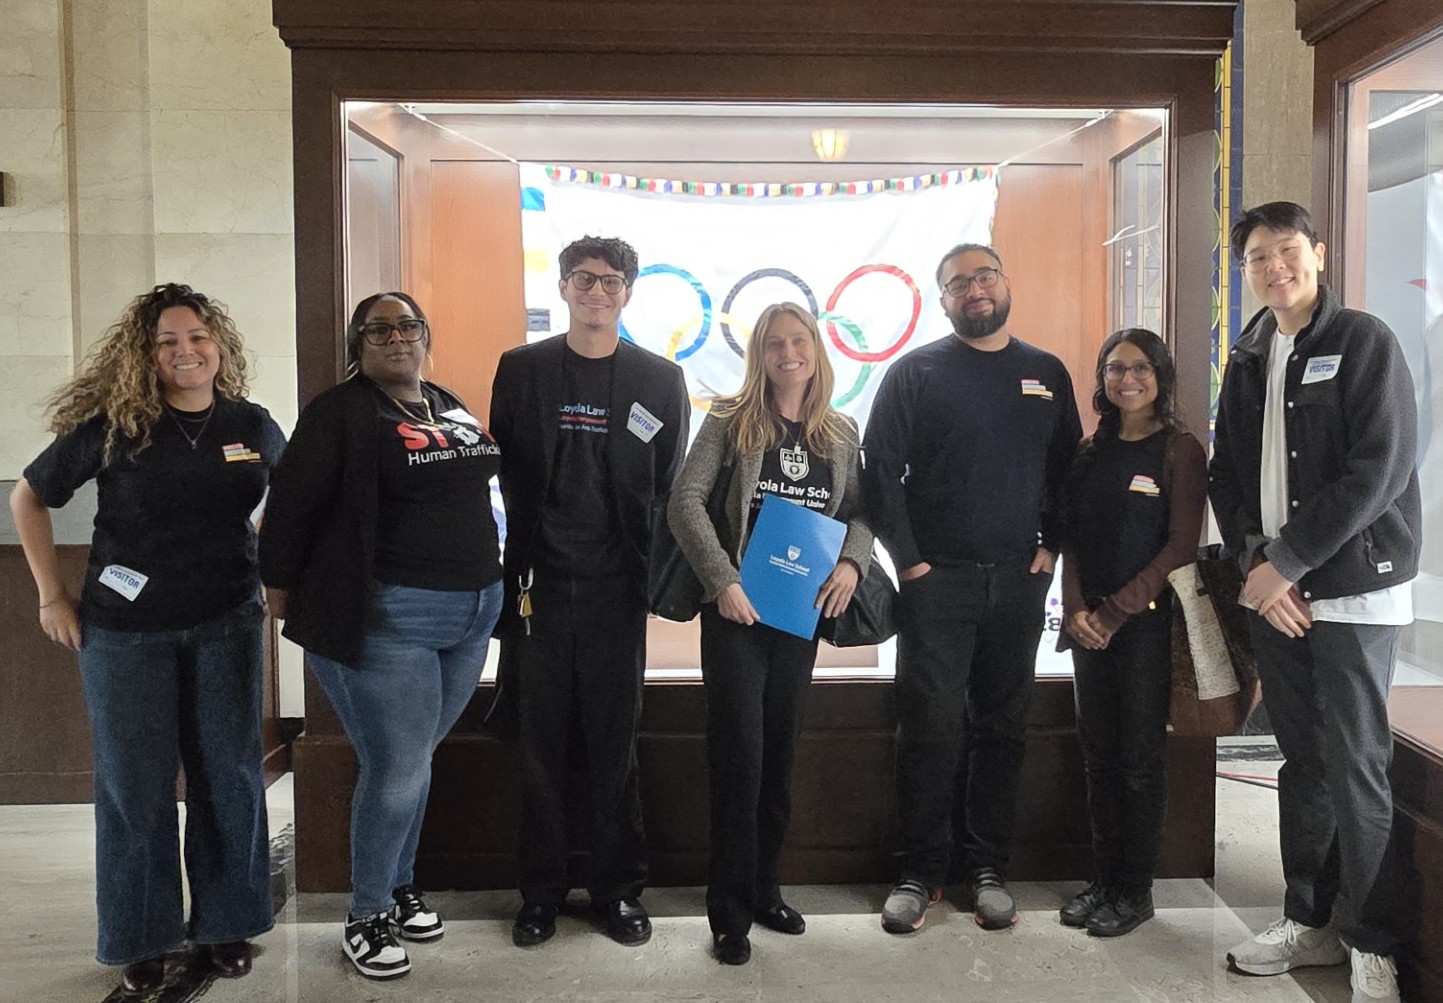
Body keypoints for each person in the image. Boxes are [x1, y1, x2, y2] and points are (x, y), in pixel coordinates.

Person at [8, 284, 284, 993]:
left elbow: (290, 494)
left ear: (218, 343)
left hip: (226, 624)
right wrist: (50, 595)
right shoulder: (116, 425)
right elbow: (29, 496)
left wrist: (257, 561)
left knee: (229, 778)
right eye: (167, 341)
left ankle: (226, 925)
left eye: (196, 337)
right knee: (136, 788)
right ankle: (142, 935)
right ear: (146, 353)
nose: (185, 352)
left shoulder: (250, 422)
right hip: (126, 634)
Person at [258, 292, 504, 979]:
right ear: (356, 343)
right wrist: (280, 592)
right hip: (389, 616)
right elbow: (290, 505)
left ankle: (396, 886)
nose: (396, 337)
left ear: (426, 335)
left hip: (471, 611)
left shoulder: (443, 400)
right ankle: (366, 914)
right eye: (379, 329)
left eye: (408, 326)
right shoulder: (340, 411)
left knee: (414, 759)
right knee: (397, 766)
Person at [1211, 202, 1418, 1003]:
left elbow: (1378, 471)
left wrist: (1289, 561)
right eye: (1257, 256)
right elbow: (1228, 476)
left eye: (1286, 250)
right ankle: (1311, 921)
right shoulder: (1249, 353)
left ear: (1318, 254)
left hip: (1353, 589)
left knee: (1356, 765)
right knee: (1301, 763)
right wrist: (1257, 563)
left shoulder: (1362, 341)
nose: (1273, 267)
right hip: (1277, 592)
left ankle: (1375, 941)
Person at [862, 242, 1082, 934]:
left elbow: (1067, 467)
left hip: (1018, 583)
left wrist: (1050, 545)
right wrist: (910, 562)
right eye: (958, 283)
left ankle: (987, 867)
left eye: (983, 276)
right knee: (927, 726)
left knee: (1001, 726)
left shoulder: (1044, 372)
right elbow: (877, 470)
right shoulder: (914, 372)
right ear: (943, 298)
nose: (973, 290)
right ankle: (920, 869)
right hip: (937, 584)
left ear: (1003, 283)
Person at [489, 236, 690, 948]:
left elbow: (668, 486)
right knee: (538, 745)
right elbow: (507, 466)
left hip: (615, 589)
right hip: (537, 588)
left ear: (628, 291)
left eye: (610, 281)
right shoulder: (521, 369)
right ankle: (539, 893)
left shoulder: (660, 379)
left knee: (614, 745)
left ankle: (617, 890)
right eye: (583, 279)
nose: (596, 291)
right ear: (564, 286)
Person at [668, 303, 874, 965]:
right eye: (775, 343)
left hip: (798, 617)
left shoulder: (839, 430)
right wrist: (721, 579)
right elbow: (685, 500)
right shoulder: (730, 420)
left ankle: (764, 888)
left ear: (815, 348)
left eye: (798, 340)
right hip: (735, 615)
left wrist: (850, 560)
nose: (788, 352)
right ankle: (727, 912)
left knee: (778, 757)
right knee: (739, 759)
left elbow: (860, 512)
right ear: (758, 354)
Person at [1056, 328, 1206, 937]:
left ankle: (1135, 890)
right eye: (1115, 368)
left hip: (1144, 628)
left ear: (1161, 376)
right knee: (1099, 759)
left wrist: (1116, 613)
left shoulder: (1181, 450)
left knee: (1139, 760)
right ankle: (1104, 880)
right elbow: (1071, 538)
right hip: (1088, 629)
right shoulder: (1091, 451)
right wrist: (1073, 611)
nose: (1128, 379)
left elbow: (1179, 547)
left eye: (1141, 368)